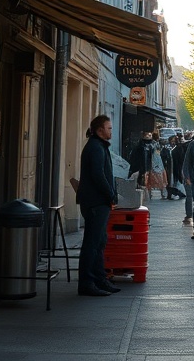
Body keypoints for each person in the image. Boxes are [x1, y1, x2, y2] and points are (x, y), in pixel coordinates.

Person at [76, 114, 120, 297]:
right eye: (109, 128)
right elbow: (98, 175)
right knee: (92, 244)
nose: (111, 130)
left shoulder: (99, 146)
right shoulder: (95, 147)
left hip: (98, 201)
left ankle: (99, 278)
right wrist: (110, 195)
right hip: (95, 202)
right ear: (100, 130)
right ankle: (87, 282)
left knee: (100, 241)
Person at [171, 134, 192, 224]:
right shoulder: (179, 150)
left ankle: (189, 215)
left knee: (190, 196)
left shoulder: (175, 150)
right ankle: (190, 215)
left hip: (186, 174)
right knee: (191, 196)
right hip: (187, 174)